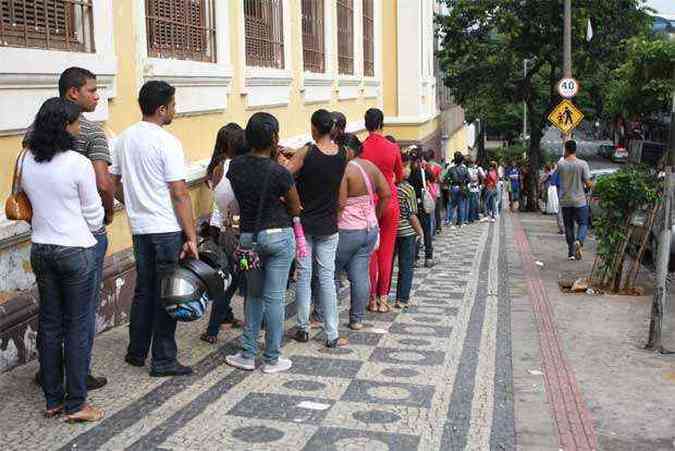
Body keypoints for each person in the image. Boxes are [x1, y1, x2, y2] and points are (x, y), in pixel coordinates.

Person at [24, 67, 114, 391]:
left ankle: (49, 378)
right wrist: (104, 219)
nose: (97, 95)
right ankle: (78, 383)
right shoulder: (89, 133)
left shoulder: (34, 134)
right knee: (81, 315)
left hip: (42, 238)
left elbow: (21, 183)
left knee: (50, 316)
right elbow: (103, 183)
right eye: (92, 90)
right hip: (80, 239)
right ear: (73, 93)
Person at [112, 81, 198, 377]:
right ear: (162, 109)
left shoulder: (122, 139)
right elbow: (180, 192)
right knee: (167, 294)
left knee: (144, 290)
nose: (175, 110)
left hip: (140, 228)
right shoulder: (167, 142)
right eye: (173, 105)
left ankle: (136, 352)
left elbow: (113, 182)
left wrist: (134, 203)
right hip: (165, 228)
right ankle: (163, 359)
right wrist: (191, 235)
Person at [225, 112, 301, 372]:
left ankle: (247, 354)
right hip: (279, 237)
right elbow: (295, 206)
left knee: (253, 296)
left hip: (249, 239)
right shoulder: (280, 172)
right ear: (275, 138)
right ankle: (272, 358)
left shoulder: (235, 167)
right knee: (276, 298)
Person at [284, 109, 348, 348]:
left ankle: (303, 327)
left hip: (304, 223)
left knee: (303, 274)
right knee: (327, 278)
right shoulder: (342, 154)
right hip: (329, 224)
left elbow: (285, 174)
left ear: (313, 128)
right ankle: (332, 332)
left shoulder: (307, 152)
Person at [336, 134, 391, 329]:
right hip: (369, 229)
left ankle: (322, 315)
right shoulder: (371, 167)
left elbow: (341, 203)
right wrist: (375, 214)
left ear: (348, 150)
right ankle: (357, 319)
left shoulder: (346, 170)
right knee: (360, 274)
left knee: (330, 272)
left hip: (348, 229)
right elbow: (386, 193)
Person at [200, 124, 247, 344]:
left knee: (230, 275)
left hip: (221, 229)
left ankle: (224, 317)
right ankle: (213, 327)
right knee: (235, 277)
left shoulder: (217, 167)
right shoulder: (238, 168)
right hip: (237, 232)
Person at [361, 108, 403, 312]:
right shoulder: (392, 147)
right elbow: (400, 175)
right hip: (390, 201)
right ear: (382, 123)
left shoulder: (361, 148)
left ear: (366, 123)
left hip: (369, 203)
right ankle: (383, 300)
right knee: (387, 251)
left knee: (371, 253)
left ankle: (370, 299)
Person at [394, 153, 425, 309]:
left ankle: (381, 296)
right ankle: (402, 299)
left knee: (388, 265)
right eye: (405, 166)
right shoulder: (408, 188)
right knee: (406, 265)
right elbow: (412, 215)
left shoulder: (390, 185)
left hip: (391, 230)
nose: (408, 170)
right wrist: (420, 231)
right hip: (406, 232)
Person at [558, 140, 592, 260]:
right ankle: (579, 241)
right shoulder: (583, 164)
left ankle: (571, 252)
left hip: (566, 200)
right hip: (580, 200)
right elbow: (588, 183)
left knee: (568, 226)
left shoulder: (560, 164)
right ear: (576, 150)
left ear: (566, 150)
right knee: (583, 223)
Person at [409, 147, 435, 267]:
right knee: (426, 231)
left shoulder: (408, 172)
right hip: (422, 205)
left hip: (412, 205)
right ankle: (428, 257)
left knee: (414, 232)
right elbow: (433, 179)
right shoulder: (424, 171)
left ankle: (414, 258)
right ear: (420, 160)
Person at [444, 152, 469, 228]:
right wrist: (464, 182)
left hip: (454, 188)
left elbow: (445, 178)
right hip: (462, 188)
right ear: (462, 161)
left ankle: (450, 222)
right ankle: (461, 223)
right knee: (461, 205)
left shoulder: (451, 169)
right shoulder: (465, 169)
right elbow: (469, 179)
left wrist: (449, 183)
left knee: (452, 205)